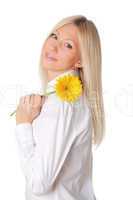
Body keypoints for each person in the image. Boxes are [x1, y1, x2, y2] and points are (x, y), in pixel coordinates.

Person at [15, 15, 105, 200]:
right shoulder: (70, 96)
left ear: (80, 61)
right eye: (54, 36)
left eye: (68, 45)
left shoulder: (63, 102)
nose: (53, 46)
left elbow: (39, 183)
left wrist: (23, 125)